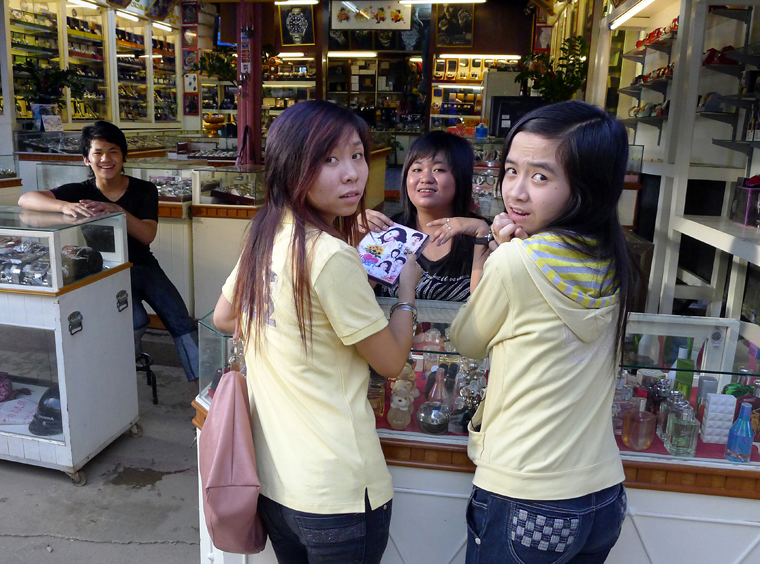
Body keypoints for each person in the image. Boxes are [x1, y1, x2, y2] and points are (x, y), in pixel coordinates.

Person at [212, 100, 421, 564]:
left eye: (356, 155)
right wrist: (406, 292)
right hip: (338, 492)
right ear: (293, 166)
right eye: (328, 160)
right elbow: (390, 363)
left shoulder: (265, 232)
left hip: (276, 483)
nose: (351, 174)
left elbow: (225, 317)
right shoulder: (331, 258)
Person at [449, 101, 639, 564]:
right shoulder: (615, 256)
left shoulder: (518, 261)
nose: (516, 191)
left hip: (525, 495)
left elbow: (466, 340)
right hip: (603, 494)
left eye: (540, 177)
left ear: (587, 186)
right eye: (511, 170)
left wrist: (495, 251)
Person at [18, 121, 199, 383]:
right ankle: (121, 380)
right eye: (98, 152)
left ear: (124, 155)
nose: (106, 159)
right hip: (106, 271)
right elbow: (26, 199)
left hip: (144, 267)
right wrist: (63, 207)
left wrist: (119, 211)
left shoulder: (143, 189)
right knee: (134, 321)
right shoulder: (80, 192)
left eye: (113, 151)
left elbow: (147, 234)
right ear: (86, 159)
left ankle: (207, 392)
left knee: (181, 321)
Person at [362, 130, 491, 301]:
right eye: (416, 169)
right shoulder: (389, 231)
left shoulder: (485, 233)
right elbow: (360, 299)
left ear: (461, 177)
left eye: (439, 169)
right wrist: (360, 243)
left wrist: (482, 237)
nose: (425, 178)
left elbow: (487, 308)